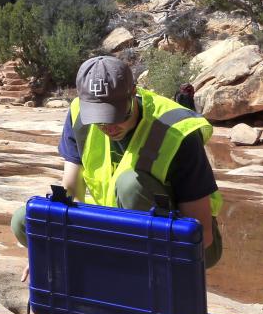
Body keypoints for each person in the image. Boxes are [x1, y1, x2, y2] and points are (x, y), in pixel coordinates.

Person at [12, 56, 223, 268]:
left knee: (130, 185)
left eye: (117, 114)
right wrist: (45, 248)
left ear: (134, 93)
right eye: (100, 118)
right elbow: (71, 189)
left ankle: (136, 272)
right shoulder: (79, 114)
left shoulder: (177, 131)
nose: (109, 126)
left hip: (180, 241)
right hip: (116, 226)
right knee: (25, 220)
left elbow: (201, 232)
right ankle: (97, 267)